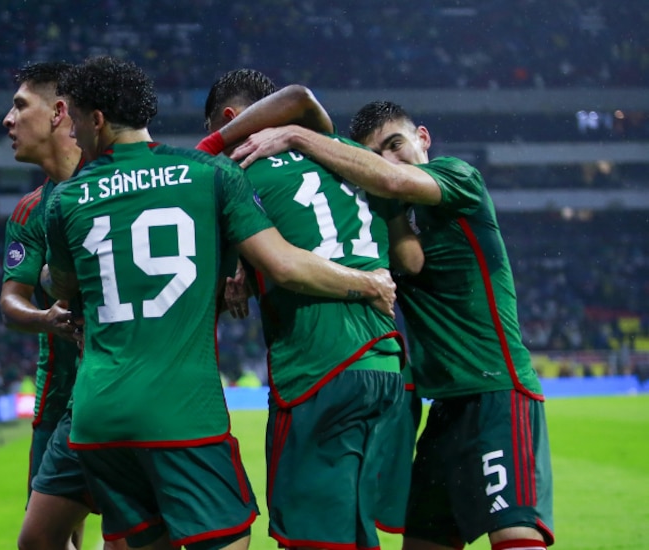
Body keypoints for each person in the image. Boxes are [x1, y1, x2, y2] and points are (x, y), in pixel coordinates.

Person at [45, 56, 396, 550]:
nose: (73, 134)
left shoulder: (65, 198)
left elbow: (60, 285)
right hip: (187, 410)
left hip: (99, 416)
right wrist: (370, 284)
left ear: (96, 119)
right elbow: (286, 263)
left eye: (75, 120)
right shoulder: (209, 173)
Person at [226, 100, 555, 550]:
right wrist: (249, 264)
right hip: (443, 405)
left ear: (423, 137)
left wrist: (297, 136)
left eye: (396, 144)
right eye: (377, 154)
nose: (391, 159)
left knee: (514, 530)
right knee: (423, 539)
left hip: (495, 387)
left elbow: (393, 180)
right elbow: (406, 258)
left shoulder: (459, 177)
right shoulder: (387, 220)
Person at [203, 69, 405, 550]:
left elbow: (286, 263)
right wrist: (249, 276)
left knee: (312, 538)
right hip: (385, 364)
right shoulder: (344, 153)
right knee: (355, 532)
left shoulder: (235, 172)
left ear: (231, 119)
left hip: (320, 367)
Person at [0, 60, 124, 550]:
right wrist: (45, 318)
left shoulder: (120, 184)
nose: (7, 120)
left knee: (126, 534)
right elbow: (12, 300)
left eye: (18, 106)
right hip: (59, 395)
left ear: (57, 112)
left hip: (124, 385)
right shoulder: (31, 210)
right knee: (50, 537)